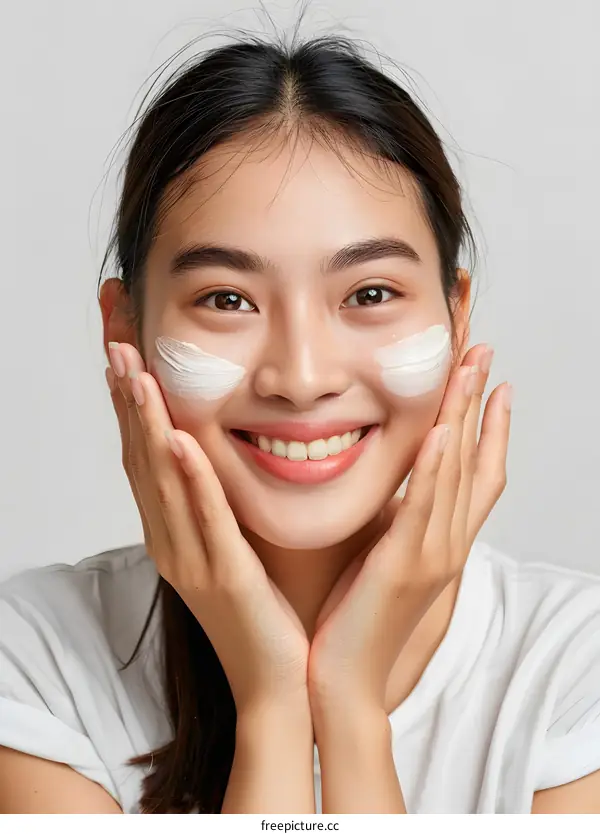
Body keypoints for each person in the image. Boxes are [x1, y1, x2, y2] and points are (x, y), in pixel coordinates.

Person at [1, 30, 600, 816]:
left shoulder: (573, 673)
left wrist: (349, 706)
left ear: (457, 316)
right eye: (227, 299)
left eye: (370, 294)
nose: (304, 378)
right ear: (125, 330)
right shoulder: (35, 664)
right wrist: (276, 704)